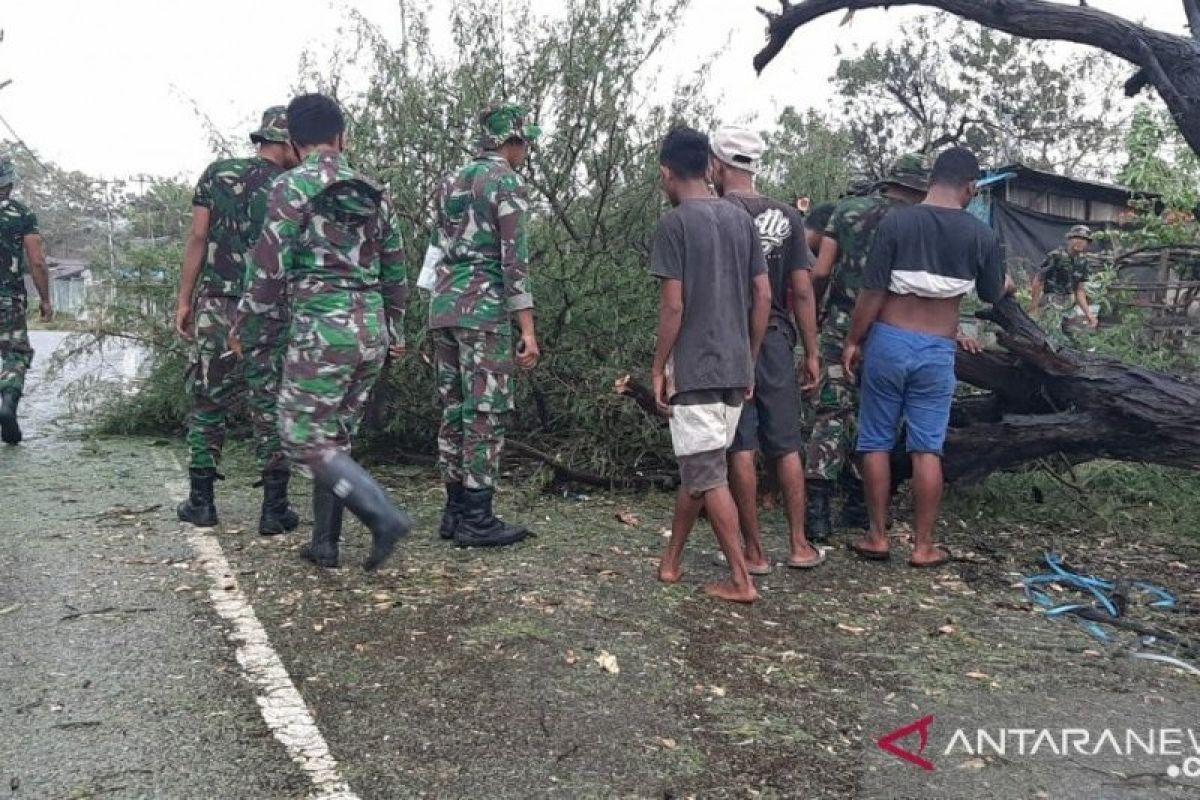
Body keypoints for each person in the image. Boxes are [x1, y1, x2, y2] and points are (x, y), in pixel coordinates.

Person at [232, 93, 412, 571]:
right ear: (341, 137)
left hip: (320, 332)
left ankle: (383, 515)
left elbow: (269, 268)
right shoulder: (373, 191)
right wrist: (394, 329)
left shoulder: (290, 188)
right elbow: (397, 269)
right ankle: (324, 544)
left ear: (293, 141)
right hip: (369, 327)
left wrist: (247, 325)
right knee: (335, 437)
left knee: (302, 438)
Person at [842, 146, 1008, 567]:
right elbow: (992, 291)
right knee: (926, 449)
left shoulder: (898, 222)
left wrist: (853, 341)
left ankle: (878, 537)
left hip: (889, 341)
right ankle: (922, 546)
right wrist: (1008, 285)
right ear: (970, 187)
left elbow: (872, 291)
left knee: (875, 440)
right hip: (937, 350)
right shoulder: (981, 235)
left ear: (932, 180)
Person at [651, 127, 771, 604]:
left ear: (666, 173)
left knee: (707, 471)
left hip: (697, 367)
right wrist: (751, 355)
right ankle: (672, 562)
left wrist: (659, 365)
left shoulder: (675, 225)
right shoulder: (741, 220)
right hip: (735, 364)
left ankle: (740, 579)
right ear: (708, 166)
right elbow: (763, 295)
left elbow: (673, 307)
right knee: (702, 465)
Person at [175, 106, 301, 533]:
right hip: (270, 310)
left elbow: (198, 237)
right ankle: (274, 509)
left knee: (208, 402)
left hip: (215, 304)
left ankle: (201, 503)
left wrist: (184, 301)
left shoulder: (217, 173)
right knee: (271, 404)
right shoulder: (293, 185)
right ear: (286, 143)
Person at [708, 125, 823, 572]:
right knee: (786, 443)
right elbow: (803, 291)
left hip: (726, 340)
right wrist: (811, 352)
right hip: (776, 338)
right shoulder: (788, 217)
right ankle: (798, 545)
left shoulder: (713, 215)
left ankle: (753, 552)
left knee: (740, 444)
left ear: (717, 165)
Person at [429, 104, 542, 548]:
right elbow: (515, 261)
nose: (527, 150)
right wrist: (527, 330)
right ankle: (478, 516)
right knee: (485, 411)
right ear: (509, 142)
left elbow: (435, 250)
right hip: (483, 308)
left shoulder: (448, 182)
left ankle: (454, 510)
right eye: (524, 142)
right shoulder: (506, 182)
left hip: (443, 305)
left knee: (453, 409)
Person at [804, 155, 930, 541]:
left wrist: (813, 318)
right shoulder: (922, 223)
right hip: (895, 329)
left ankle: (817, 512)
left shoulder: (846, 211)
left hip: (841, 325)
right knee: (879, 417)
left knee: (832, 411)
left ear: (889, 181)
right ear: (921, 188)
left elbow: (821, 271)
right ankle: (860, 507)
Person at [0, 155, 53, 445]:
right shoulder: (22, 214)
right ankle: (7, 405)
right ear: (9, 181)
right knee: (15, 354)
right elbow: (37, 261)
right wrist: (45, 299)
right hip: (8, 299)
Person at [1030, 225, 1099, 338]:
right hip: (1050, 303)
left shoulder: (1083, 262)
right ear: (1069, 239)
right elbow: (1038, 281)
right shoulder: (1055, 256)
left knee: (1071, 337)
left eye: (1084, 240)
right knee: (1049, 336)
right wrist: (1034, 308)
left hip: (1068, 305)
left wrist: (1088, 314)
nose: (1080, 242)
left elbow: (1079, 290)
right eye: (1077, 238)